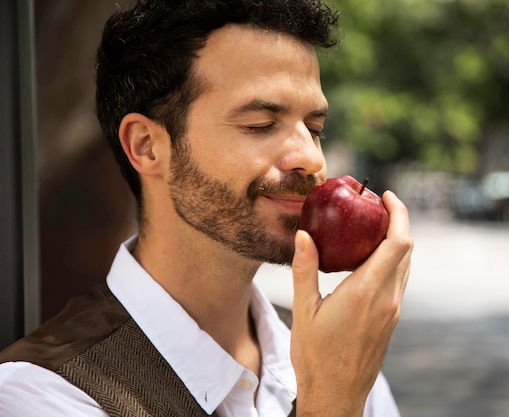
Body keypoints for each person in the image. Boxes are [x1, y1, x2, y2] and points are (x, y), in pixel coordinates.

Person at [0, 0, 413, 416]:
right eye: (260, 125)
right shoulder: (37, 393)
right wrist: (331, 403)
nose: (310, 156)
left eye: (315, 128)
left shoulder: (333, 351)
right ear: (146, 146)